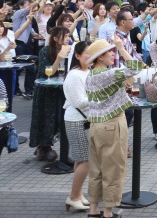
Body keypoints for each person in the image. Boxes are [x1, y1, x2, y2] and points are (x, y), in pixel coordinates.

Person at [85, 38, 145, 218]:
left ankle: (94, 209)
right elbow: (136, 66)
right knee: (113, 169)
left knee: (96, 170)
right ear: (100, 57)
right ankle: (109, 212)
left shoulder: (91, 75)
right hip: (112, 124)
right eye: (110, 52)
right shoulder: (108, 74)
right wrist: (121, 47)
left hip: (95, 126)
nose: (113, 54)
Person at [30, 26, 72, 162]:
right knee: (46, 118)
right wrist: (59, 58)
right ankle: (44, 146)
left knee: (61, 118)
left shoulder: (71, 51)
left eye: (68, 36)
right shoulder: (45, 51)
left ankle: (53, 148)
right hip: (47, 91)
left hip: (63, 89)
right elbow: (45, 73)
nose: (67, 39)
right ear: (55, 39)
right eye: (65, 37)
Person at [62, 41, 91, 212]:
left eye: (92, 52)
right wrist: (102, 97)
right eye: (86, 53)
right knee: (87, 160)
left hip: (84, 120)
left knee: (81, 159)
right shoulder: (74, 75)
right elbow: (80, 102)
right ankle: (73, 196)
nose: (90, 56)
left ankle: (78, 194)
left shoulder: (89, 72)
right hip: (76, 120)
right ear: (78, 55)